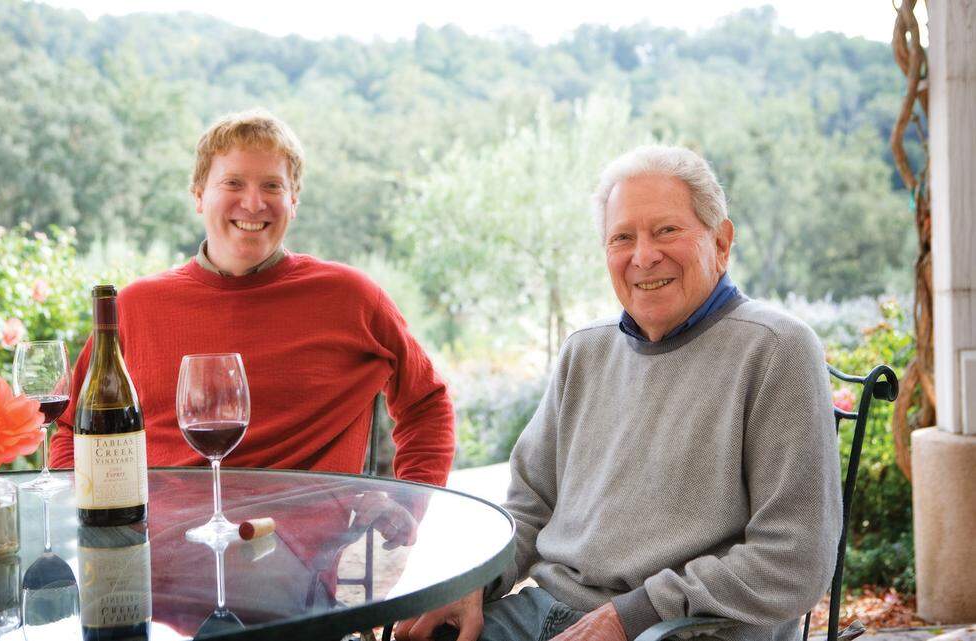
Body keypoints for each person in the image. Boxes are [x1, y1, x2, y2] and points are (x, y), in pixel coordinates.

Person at [396, 145, 841, 641]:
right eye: (622, 237)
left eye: (666, 230)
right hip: (544, 611)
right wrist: (477, 581)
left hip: (680, 628)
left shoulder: (776, 349)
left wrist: (630, 616)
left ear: (721, 241)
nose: (643, 256)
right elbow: (529, 504)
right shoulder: (585, 352)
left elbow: (793, 558)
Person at [50, 109, 455, 488]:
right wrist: (94, 518)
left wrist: (410, 505)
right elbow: (72, 429)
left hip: (305, 554)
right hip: (158, 549)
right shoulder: (136, 307)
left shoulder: (352, 298)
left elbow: (427, 402)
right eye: (233, 183)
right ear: (198, 196)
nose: (253, 202)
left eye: (272, 186)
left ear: (293, 200)